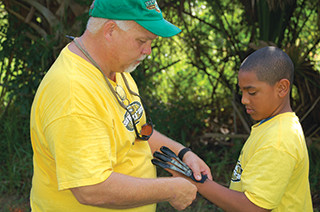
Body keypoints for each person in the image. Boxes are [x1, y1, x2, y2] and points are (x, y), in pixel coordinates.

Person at [29, 0, 212, 211]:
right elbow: (90, 188)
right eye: (142, 40)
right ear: (110, 31)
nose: (148, 51)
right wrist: (170, 189)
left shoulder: (115, 68)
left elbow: (135, 130)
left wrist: (182, 153)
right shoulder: (73, 92)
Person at [170, 46, 313, 211]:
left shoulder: (279, 139)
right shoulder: (271, 127)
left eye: (251, 92)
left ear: (281, 88)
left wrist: (198, 181)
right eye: (242, 92)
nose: (244, 100)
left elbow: (253, 207)